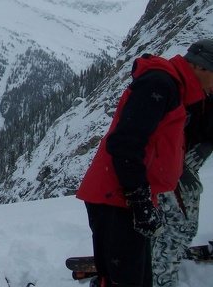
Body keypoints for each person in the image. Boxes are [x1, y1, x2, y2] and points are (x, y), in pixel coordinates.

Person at [76, 39, 213, 287]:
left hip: (127, 196)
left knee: (135, 279)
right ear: (201, 68)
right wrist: (139, 200)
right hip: (116, 197)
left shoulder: (178, 88)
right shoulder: (160, 84)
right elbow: (125, 142)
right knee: (125, 281)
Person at [152, 82, 213, 282]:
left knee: (186, 228)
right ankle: (161, 276)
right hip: (167, 169)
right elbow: (160, 132)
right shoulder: (181, 90)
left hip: (187, 167)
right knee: (176, 227)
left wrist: (208, 145)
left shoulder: (204, 94)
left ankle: (161, 263)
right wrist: (177, 167)